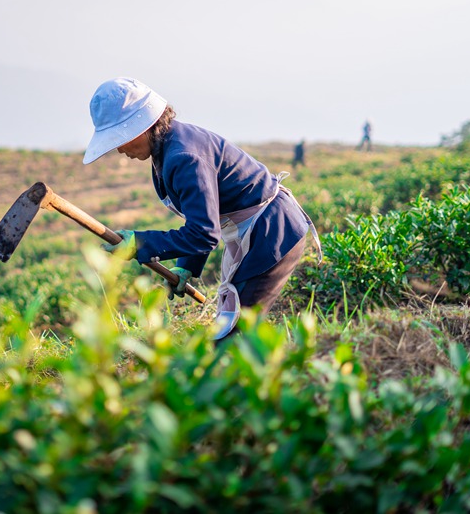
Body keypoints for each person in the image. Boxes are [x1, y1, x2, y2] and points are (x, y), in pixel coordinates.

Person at [83, 77, 321, 341]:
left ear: (142, 127)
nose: (119, 149)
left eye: (121, 138)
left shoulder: (183, 157)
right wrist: (187, 265)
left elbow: (203, 233)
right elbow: (203, 213)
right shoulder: (167, 149)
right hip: (255, 229)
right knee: (231, 328)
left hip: (272, 232)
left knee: (234, 335)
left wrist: (139, 243)